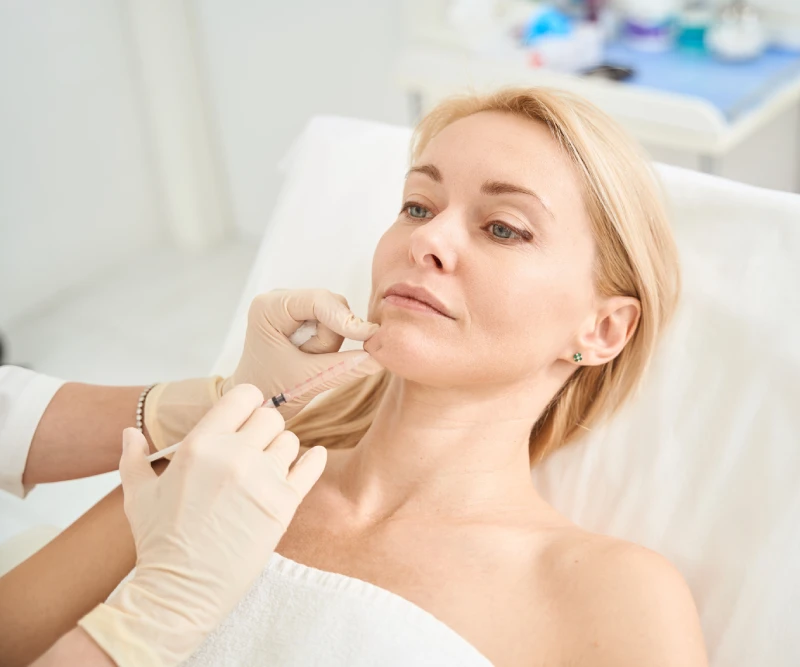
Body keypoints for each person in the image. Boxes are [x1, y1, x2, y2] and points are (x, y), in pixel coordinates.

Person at [3, 87, 709, 666]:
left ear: (603, 328)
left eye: (502, 227)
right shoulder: (215, 472)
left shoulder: (610, 594)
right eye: (417, 206)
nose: (427, 240)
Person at [0, 290, 383, 665]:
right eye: (416, 219)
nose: (427, 241)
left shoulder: (217, 466)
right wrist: (151, 621)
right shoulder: (218, 468)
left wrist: (208, 402)